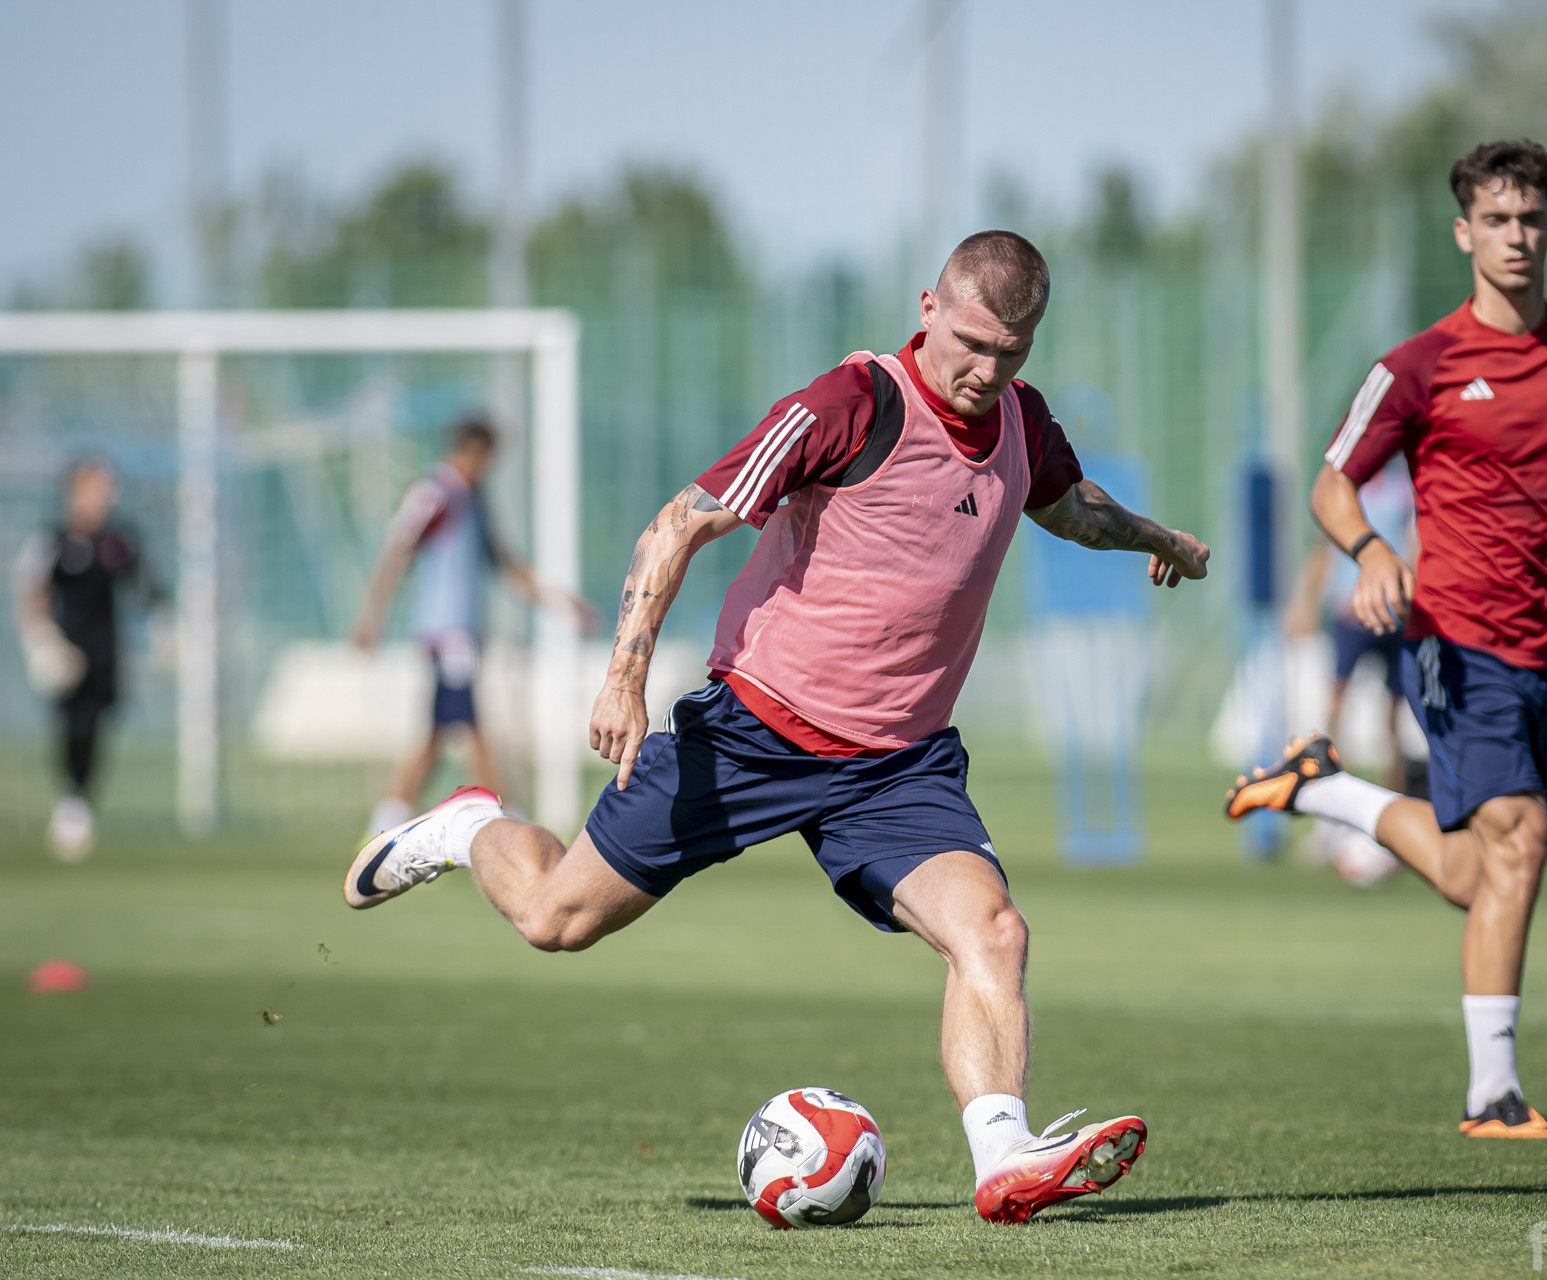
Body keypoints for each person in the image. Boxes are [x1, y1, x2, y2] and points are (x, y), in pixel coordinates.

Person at [341, 232, 1211, 1223]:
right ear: (928, 307)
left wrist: (1159, 538)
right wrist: (624, 678)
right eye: (970, 343)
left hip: (898, 766)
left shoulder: (1022, 420)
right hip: (754, 733)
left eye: (1010, 352)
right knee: (554, 919)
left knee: (994, 930)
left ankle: (1004, 1154)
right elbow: (678, 524)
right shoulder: (850, 405)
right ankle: (468, 826)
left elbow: (1068, 504)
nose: (985, 370)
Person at [1226, 141, 1547, 1139]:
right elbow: (1332, 483)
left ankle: (1322, 788)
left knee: (1476, 871)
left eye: (1531, 218)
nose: (1516, 236)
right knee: (1523, 839)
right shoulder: (1418, 366)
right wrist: (1373, 553)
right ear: (1465, 233)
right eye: (1497, 220)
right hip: (1456, 643)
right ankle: (1492, 1094)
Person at [351, 416, 596, 834]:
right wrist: (371, 617)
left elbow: (507, 565)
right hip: (448, 635)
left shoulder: (474, 499)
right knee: (472, 727)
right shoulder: (435, 492)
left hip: (462, 635)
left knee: (439, 731)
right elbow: (398, 549)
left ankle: (387, 825)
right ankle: (509, 822)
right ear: (474, 450)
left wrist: (561, 601)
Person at [12, 458, 165, 860]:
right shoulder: (55, 541)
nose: (104, 497)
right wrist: (43, 640)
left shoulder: (119, 540)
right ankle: (73, 802)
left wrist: (163, 628)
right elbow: (34, 591)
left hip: (106, 654)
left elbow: (146, 585)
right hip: (68, 652)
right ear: (75, 492)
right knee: (72, 726)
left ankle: (79, 800)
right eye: (96, 488)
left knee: (97, 725)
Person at [1284, 458, 1417, 884]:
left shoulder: (1404, 490)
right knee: (1335, 710)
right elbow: (1324, 550)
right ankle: (1331, 815)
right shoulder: (1345, 487)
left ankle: (1392, 820)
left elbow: (1414, 545)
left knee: (1393, 721)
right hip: (1349, 612)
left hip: (1393, 614)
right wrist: (1305, 602)